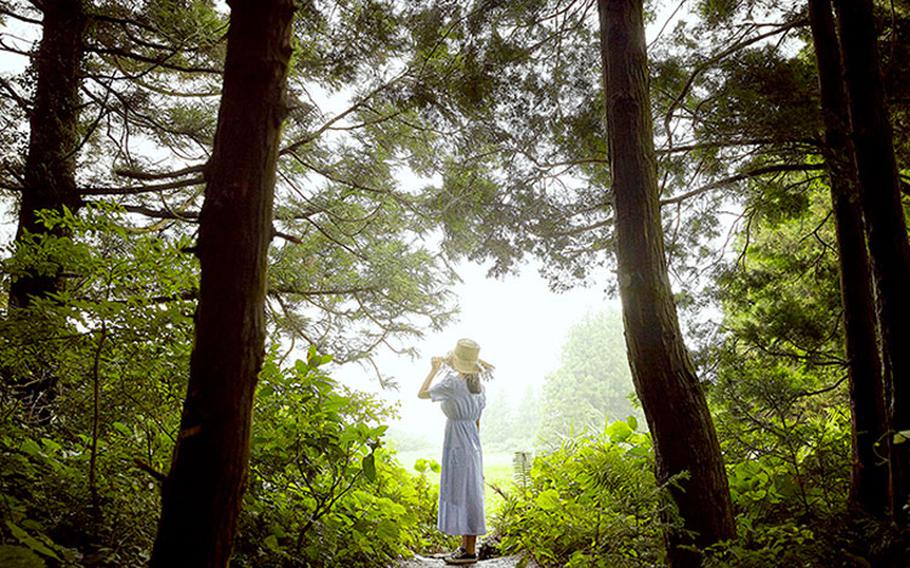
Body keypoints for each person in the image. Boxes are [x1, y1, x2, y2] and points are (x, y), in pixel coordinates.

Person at [418, 338, 492, 565]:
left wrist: (434, 369)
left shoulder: (451, 383)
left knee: (463, 492)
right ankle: (467, 547)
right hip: (472, 440)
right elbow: (478, 421)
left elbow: (422, 393)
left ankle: (468, 552)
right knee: (471, 492)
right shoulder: (478, 386)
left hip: (457, 440)